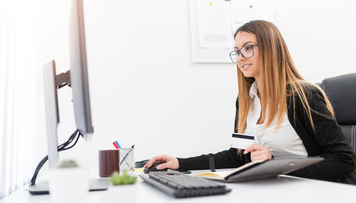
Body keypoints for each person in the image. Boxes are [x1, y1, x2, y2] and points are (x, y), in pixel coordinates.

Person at [145, 20, 356, 183]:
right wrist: (179, 163)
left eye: (247, 48)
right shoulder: (246, 100)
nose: (240, 57)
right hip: (273, 188)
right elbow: (237, 156)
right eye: (237, 51)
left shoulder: (303, 96)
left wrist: (275, 165)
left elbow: (343, 160)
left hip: (308, 189)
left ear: (270, 48)